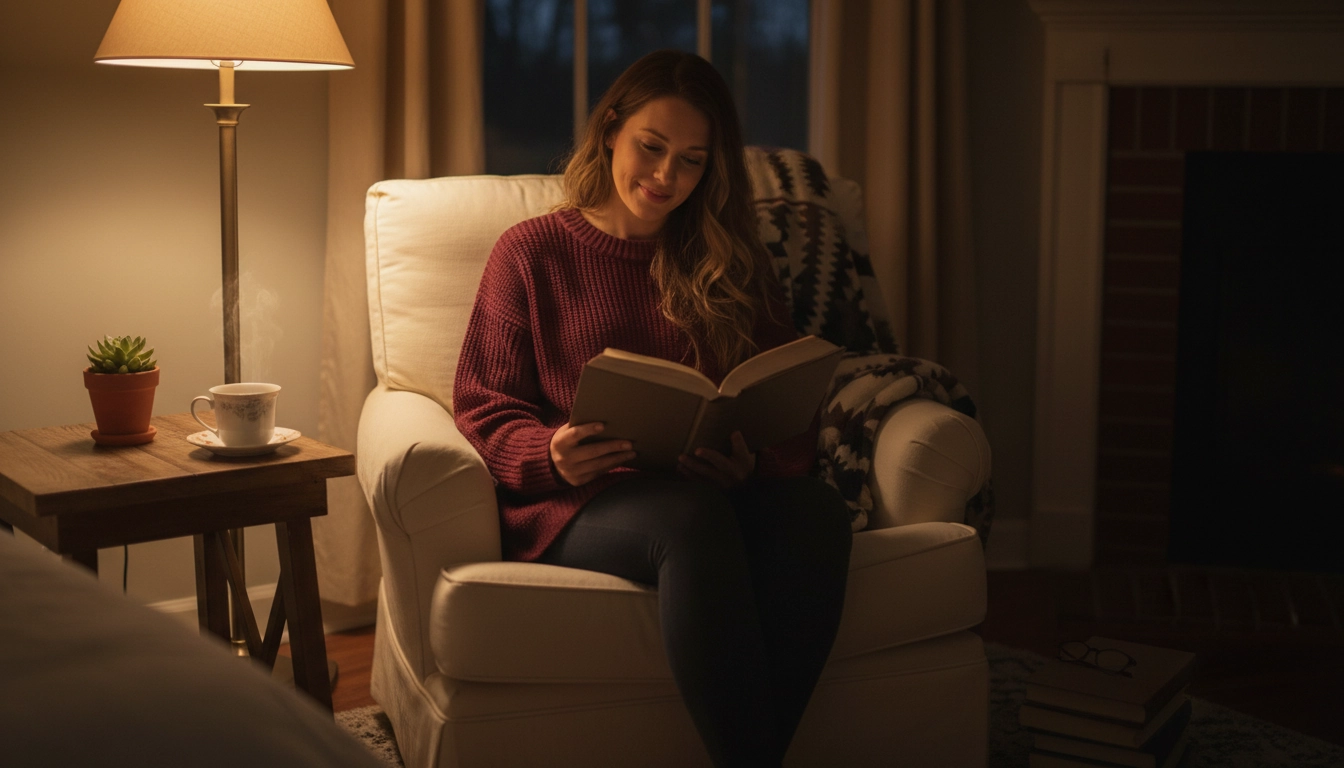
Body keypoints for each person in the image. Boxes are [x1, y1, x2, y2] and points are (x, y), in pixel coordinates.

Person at [452, 49, 852, 767]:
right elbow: (483, 403)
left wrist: (749, 460)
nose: (667, 176)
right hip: (581, 502)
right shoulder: (531, 253)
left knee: (816, 515)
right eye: (652, 147)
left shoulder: (729, 257)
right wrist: (547, 453)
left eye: (693, 161)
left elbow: (781, 395)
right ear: (610, 131)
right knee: (689, 522)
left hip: (706, 487)